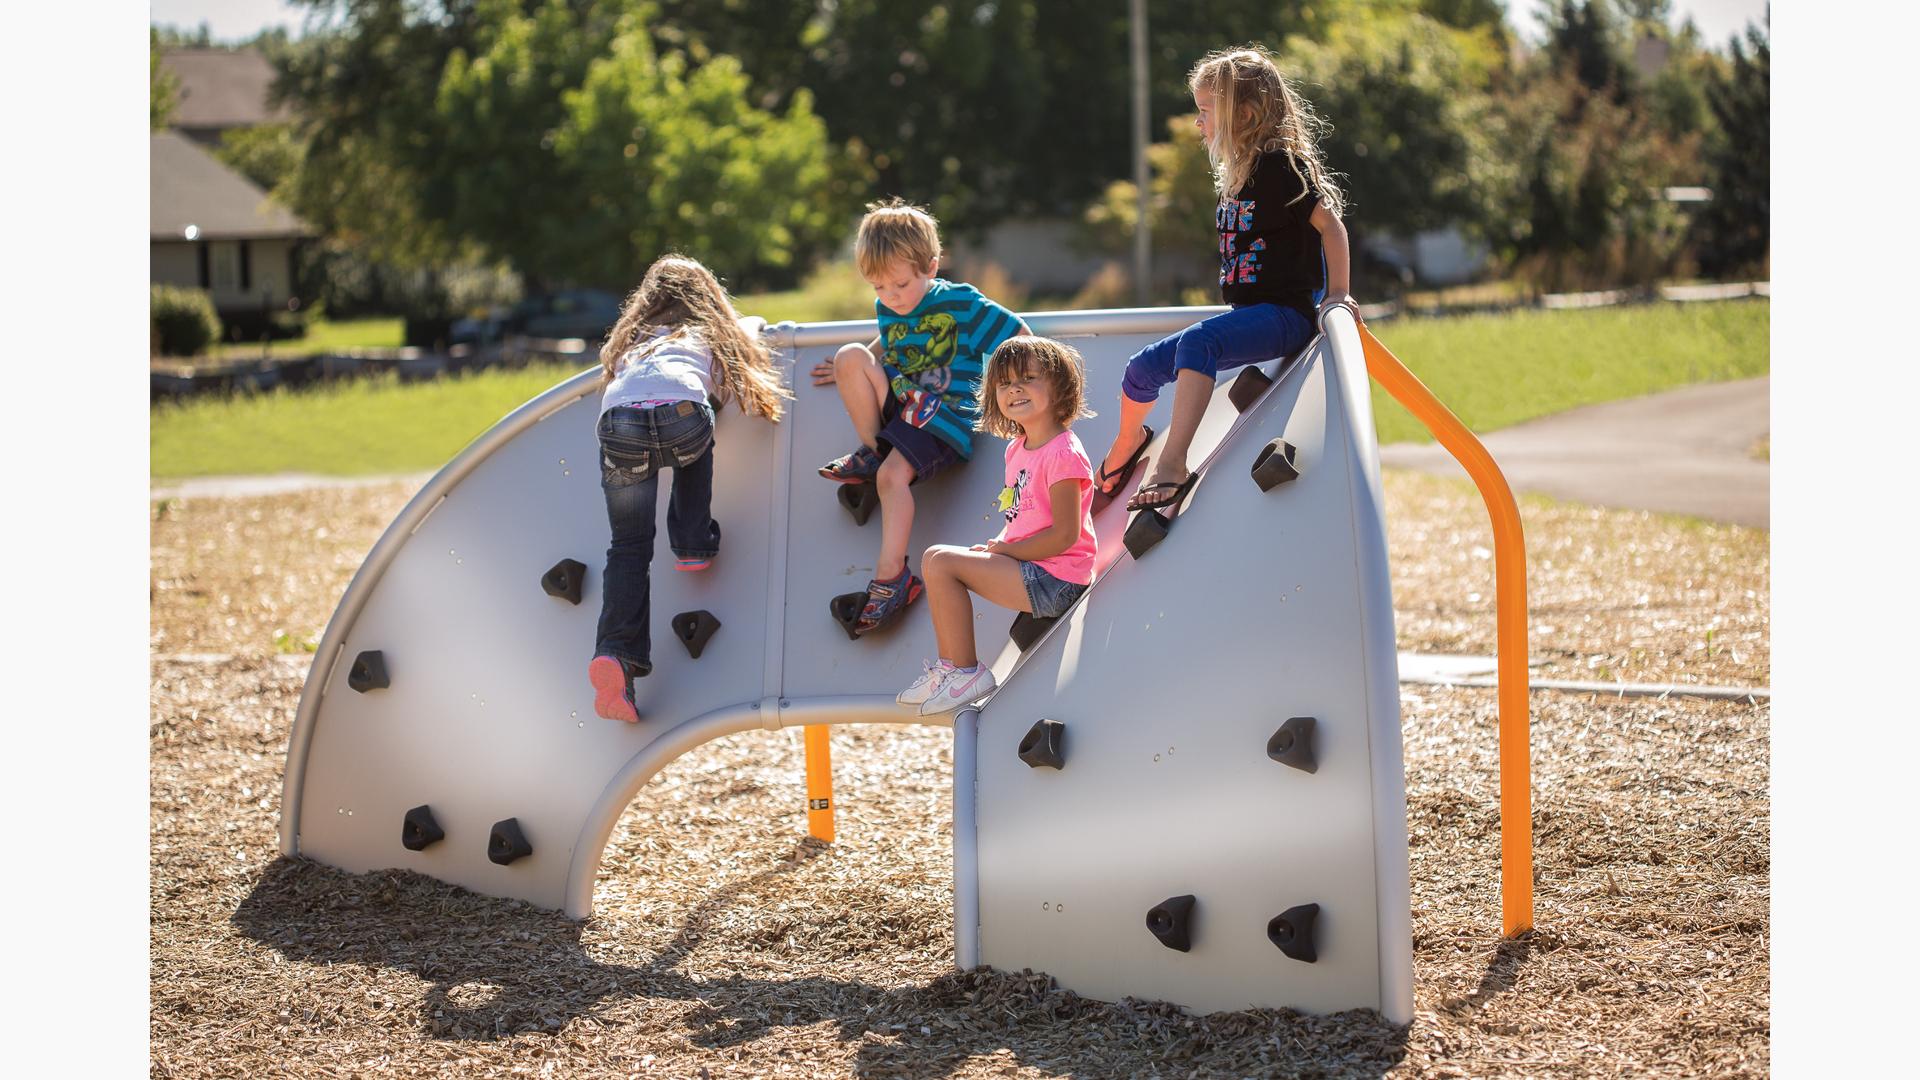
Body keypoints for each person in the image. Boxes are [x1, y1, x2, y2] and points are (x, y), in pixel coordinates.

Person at [1093, 44, 1355, 514]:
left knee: (1199, 346)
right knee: (1140, 368)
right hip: (1249, 313)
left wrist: (1336, 296)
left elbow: (1331, 226)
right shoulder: (1240, 172)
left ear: (1245, 114)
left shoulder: (1279, 167)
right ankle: (1128, 443)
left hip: (1285, 316)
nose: (1198, 122)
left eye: (1205, 111)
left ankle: (1172, 465)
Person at [812, 198, 1029, 636]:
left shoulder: (963, 304)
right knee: (849, 356)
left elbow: (1021, 337)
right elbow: (889, 344)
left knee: (893, 479)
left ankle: (893, 578)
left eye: (899, 285)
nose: (891, 298)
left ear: (930, 267)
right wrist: (848, 369)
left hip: (942, 418)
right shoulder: (890, 307)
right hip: (905, 405)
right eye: (878, 289)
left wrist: (1006, 397)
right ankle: (874, 452)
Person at [588, 255, 790, 723]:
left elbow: (614, 379)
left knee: (629, 546)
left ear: (646, 302)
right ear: (707, 299)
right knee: (694, 440)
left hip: (618, 423)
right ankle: (693, 543)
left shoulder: (631, 340)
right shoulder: (709, 332)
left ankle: (615, 655)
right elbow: (748, 336)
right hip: (682, 413)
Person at [898, 336, 1098, 715]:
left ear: (1059, 386)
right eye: (1004, 383)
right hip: (1031, 566)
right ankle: (952, 669)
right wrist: (998, 545)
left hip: (1058, 580)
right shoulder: (1017, 449)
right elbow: (1020, 514)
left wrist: (1007, 551)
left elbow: (1065, 535)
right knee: (937, 558)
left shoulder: (1063, 453)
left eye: (1027, 378)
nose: (1015, 389)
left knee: (940, 562)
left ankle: (965, 672)